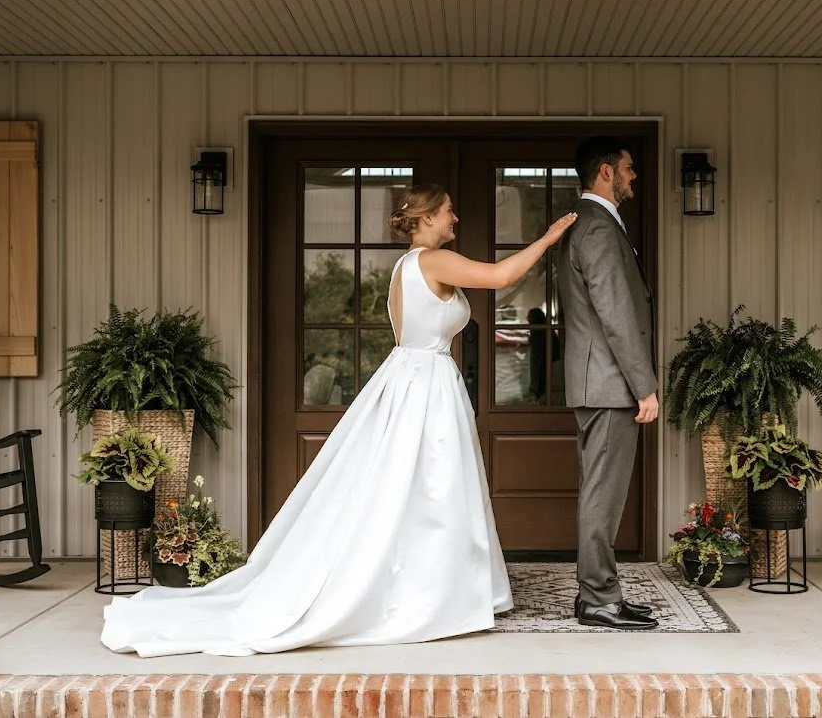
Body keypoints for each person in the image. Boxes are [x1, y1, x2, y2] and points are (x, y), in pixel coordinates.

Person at [100, 184, 578, 657]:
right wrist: (548, 237)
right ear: (428, 217)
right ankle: (430, 594)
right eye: (450, 211)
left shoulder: (405, 265)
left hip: (416, 378)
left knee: (416, 489)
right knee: (432, 486)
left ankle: (435, 588)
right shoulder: (430, 261)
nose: (456, 219)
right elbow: (500, 276)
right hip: (424, 384)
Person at [557, 135, 660, 631]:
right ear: (605, 172)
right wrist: (644, 385)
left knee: (605, 491)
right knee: (604, 493)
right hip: (608, 383)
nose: (633, 176)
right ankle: (598, 597)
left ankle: (600, 595)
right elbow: (616, 313)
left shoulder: (597, 224)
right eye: (629, 167)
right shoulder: (597, 227)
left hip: (602, 381)